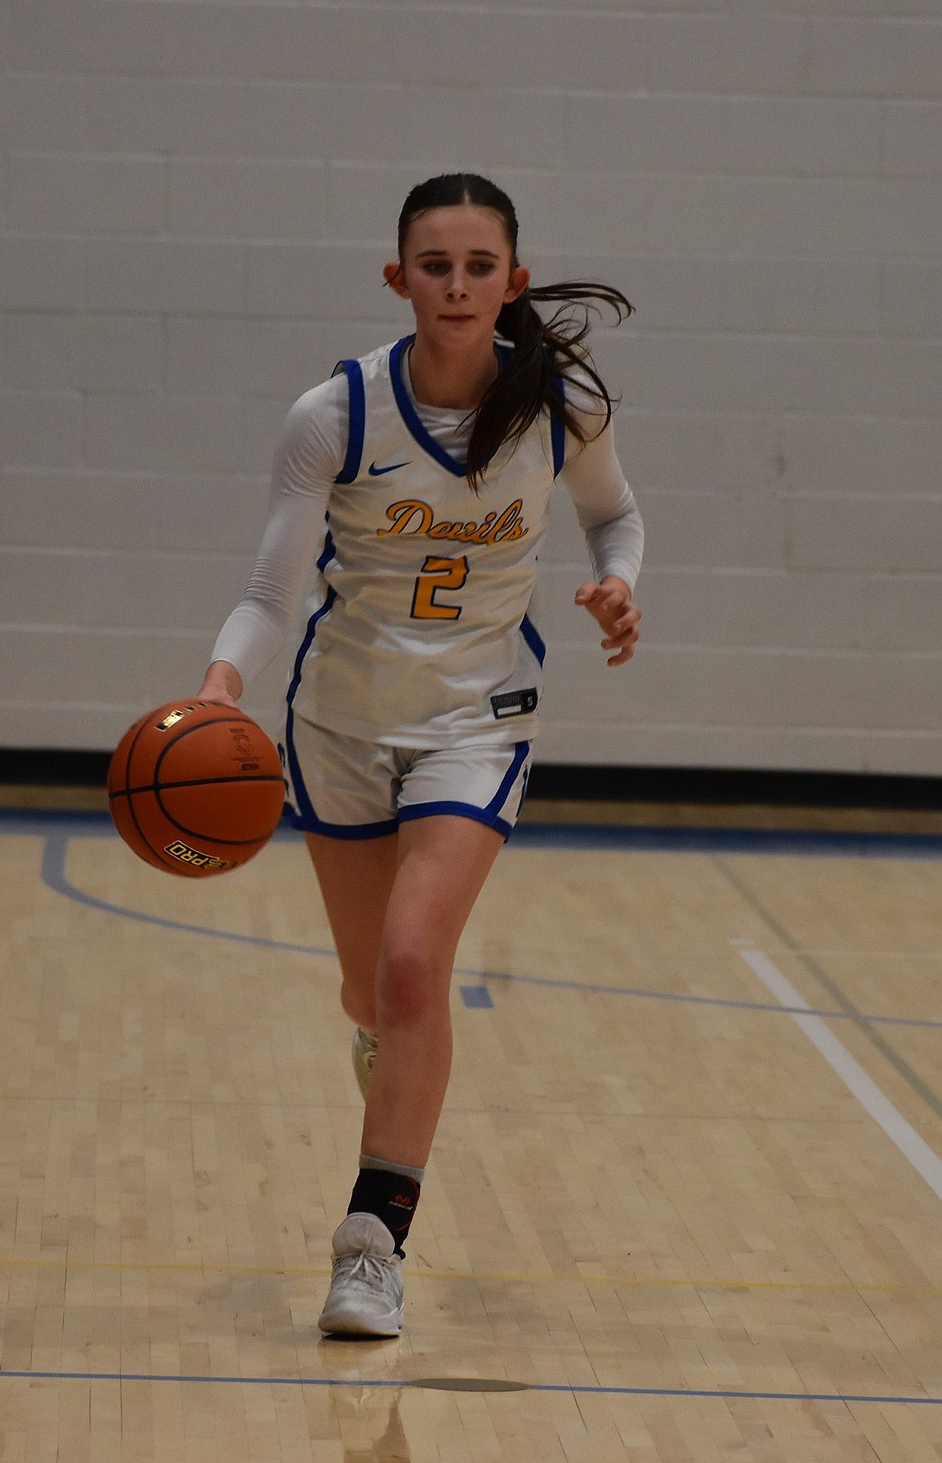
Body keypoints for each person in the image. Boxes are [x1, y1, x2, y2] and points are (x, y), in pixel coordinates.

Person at [195, 172, 643, 1337]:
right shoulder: (335, 415)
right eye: (434, 267)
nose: (456, 286)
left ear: (514, 279)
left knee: (410, 969)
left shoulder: (562, 403)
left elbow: (617, 515)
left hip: (475, 721)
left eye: (479, 266)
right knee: (369, 992)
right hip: (339, 724)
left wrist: (618, 584)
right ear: (398, 280)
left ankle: (371, 1242)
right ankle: (390, 1057)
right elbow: (267, 591)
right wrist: (219, 683)